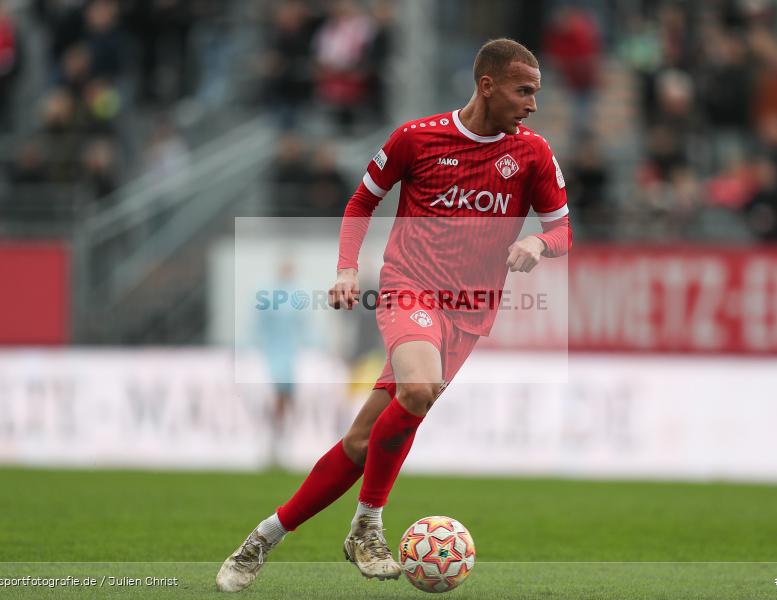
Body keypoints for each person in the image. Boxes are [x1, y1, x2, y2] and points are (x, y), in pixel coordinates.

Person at [216, 38, 572, 593]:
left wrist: (539, 244)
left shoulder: (533, 154)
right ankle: (368, 526)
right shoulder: (416, 138)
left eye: (536, 93)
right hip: (410, 288)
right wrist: (346, 269)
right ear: (487, 85)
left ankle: (262, 538)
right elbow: (362, 200)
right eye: (523, 91)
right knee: (419, 388)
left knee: (363, 441)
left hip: (470, 314)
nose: (532, 104)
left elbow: (563, 229)